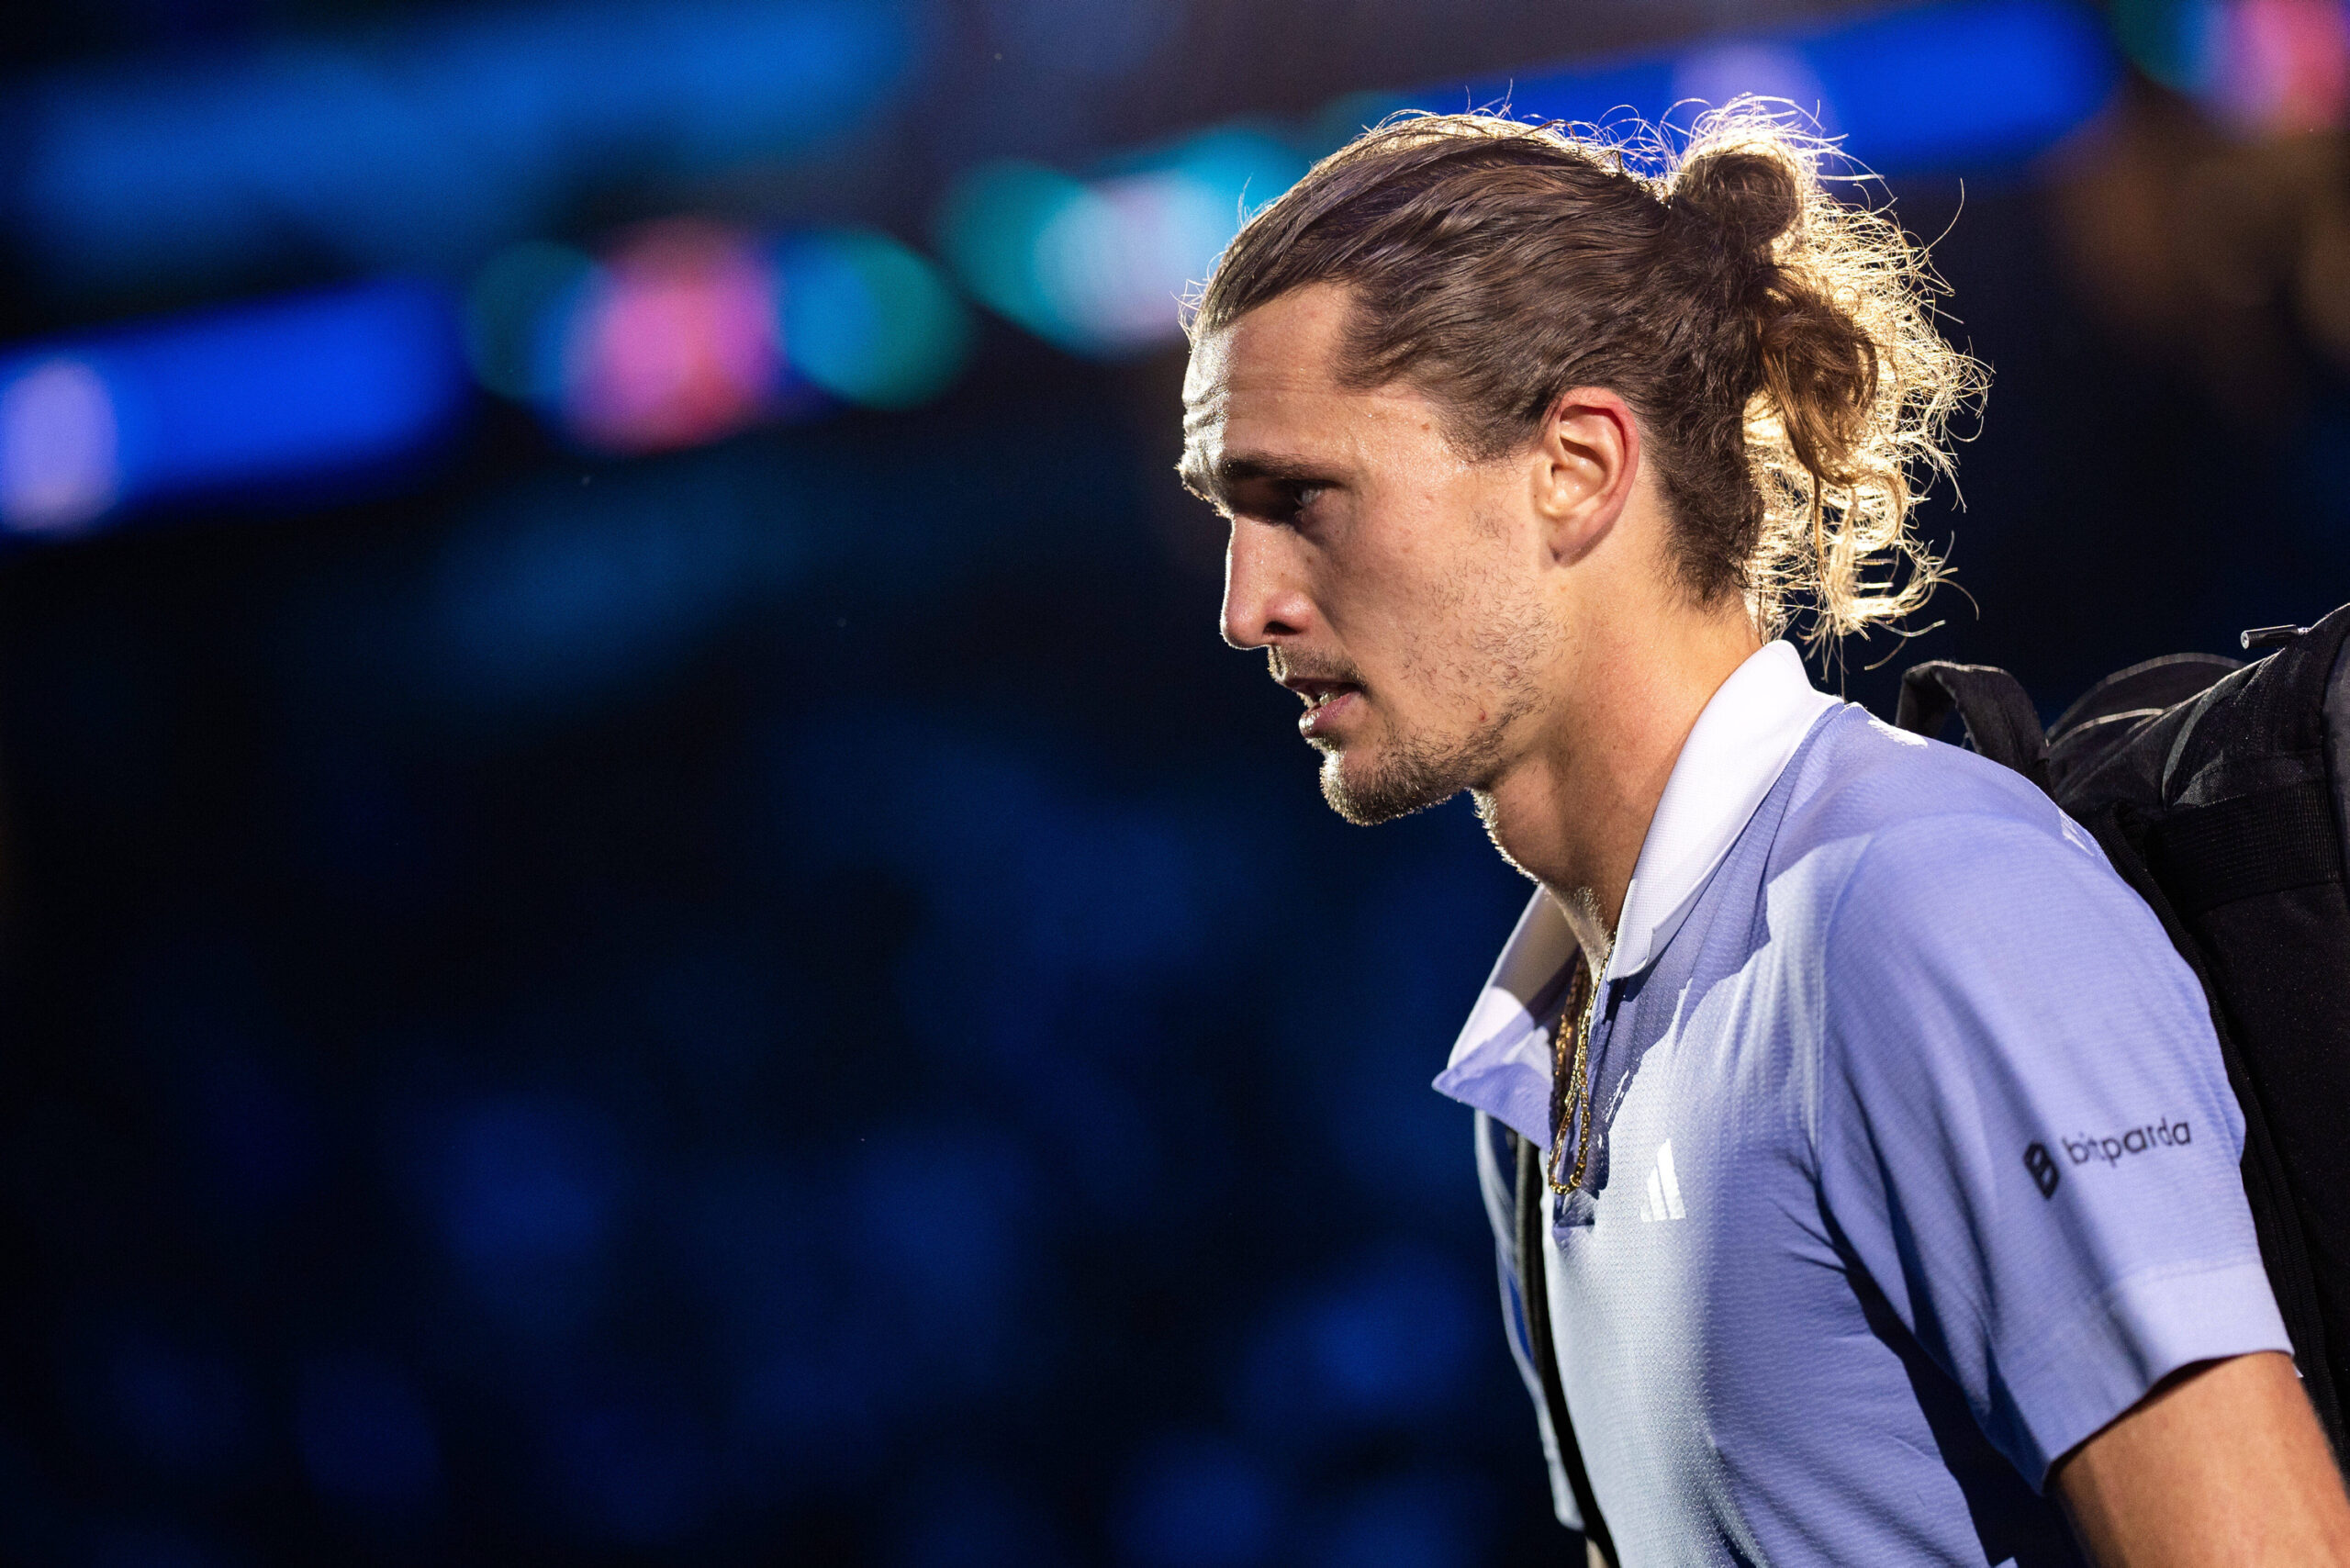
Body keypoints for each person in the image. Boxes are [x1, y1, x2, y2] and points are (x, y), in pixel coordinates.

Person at [1178, 106, 2350, 1566]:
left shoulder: (1914, 909)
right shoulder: (1543, 1049)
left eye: (1303, 501)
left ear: (1579, 465)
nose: (1247, 606)